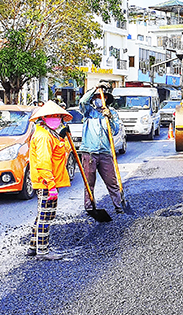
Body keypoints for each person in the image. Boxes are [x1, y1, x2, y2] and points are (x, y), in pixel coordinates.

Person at [27, 100, 73, 261]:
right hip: (47, 182)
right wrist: (51, 186)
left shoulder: (51, 134)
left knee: (42, 215)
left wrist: (64, 137)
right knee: (46, 217)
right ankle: (43, 251)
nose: (55, 118)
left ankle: (33, 247)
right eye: (51, 116)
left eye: (57, 116)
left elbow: (63, 151)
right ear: (44, 118)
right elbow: (43, 162)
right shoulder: (43, 136)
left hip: (51, 181)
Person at [79, 83, 125, 214]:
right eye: (97, 97)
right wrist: (95, 87)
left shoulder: (112, 113)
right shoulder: (89, 112)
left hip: (105, 153)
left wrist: (109, 117)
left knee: (112, 181)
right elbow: (83, 101)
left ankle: (119, 206)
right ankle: (89, 208)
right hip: (90, 153)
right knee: (89, 183)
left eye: (101, 97)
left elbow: (115, 131)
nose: (99, 99)